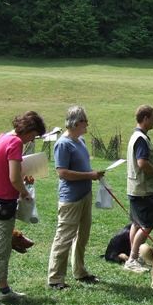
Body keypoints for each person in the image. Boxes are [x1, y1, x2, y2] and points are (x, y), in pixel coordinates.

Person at [0, 111, 46, 305]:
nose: (31, 140)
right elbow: (14, 178)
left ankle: (4, 289)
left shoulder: (1, 138)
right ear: (28, 130)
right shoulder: (15, 143)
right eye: (33, 136)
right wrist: (25, 193)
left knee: (4, 247)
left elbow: (3, 170)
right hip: (1, 205)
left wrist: (20, 180)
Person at [47, 106, 104, 290]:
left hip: (85, 195)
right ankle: (55, 278)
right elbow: (62, 173)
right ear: (77, 123)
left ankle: (80, 271)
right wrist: (89, 175)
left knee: (83, 236)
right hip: (71, 199)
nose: (87, 124)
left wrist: (94, 174)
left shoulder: (80, 141)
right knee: (64, 237)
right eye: (85, 121)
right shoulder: (63, 144)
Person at [124, 105, 153, 273]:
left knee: (136, 223)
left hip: (134, 188)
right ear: (145, 118)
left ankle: (136, 257)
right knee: (147, 225)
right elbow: (142, 163)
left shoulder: (135, 136)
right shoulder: (141, 139)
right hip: (143, 189)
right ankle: (132, 258)